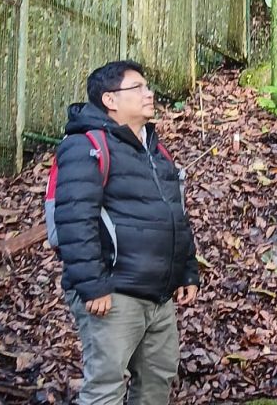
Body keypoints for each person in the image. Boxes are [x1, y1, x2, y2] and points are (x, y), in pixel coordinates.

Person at [52, 60, 200, 405]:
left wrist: (186, 272)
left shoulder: (155, 150)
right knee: (105, 387)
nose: (149, 94)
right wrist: (93, 285)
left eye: (148, 87)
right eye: (139, 88)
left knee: (157, 382)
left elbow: (175, 214)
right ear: (110, 99)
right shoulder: (83, 146)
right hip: (113, 295)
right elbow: (75, 220)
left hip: (159, 296)